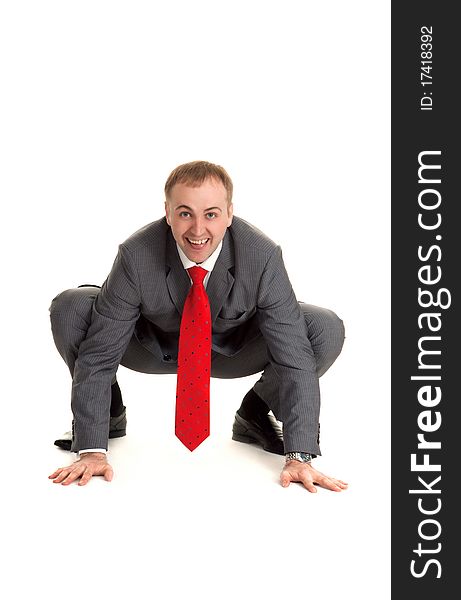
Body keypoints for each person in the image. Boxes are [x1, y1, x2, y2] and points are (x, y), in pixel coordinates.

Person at [48, 160, 348, 492]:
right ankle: (107, 414)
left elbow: (293, 354)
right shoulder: (136, 253)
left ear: (230, 214)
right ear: (168, 212)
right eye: (185, 213)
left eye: (211, 214)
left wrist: (299, 457)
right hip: (153, 348)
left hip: (230, 352)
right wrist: (91, 451)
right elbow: (100, 352)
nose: (198, 230)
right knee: (71, 307)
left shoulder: (261, 255)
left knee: (323, 327)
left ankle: (256, 413)